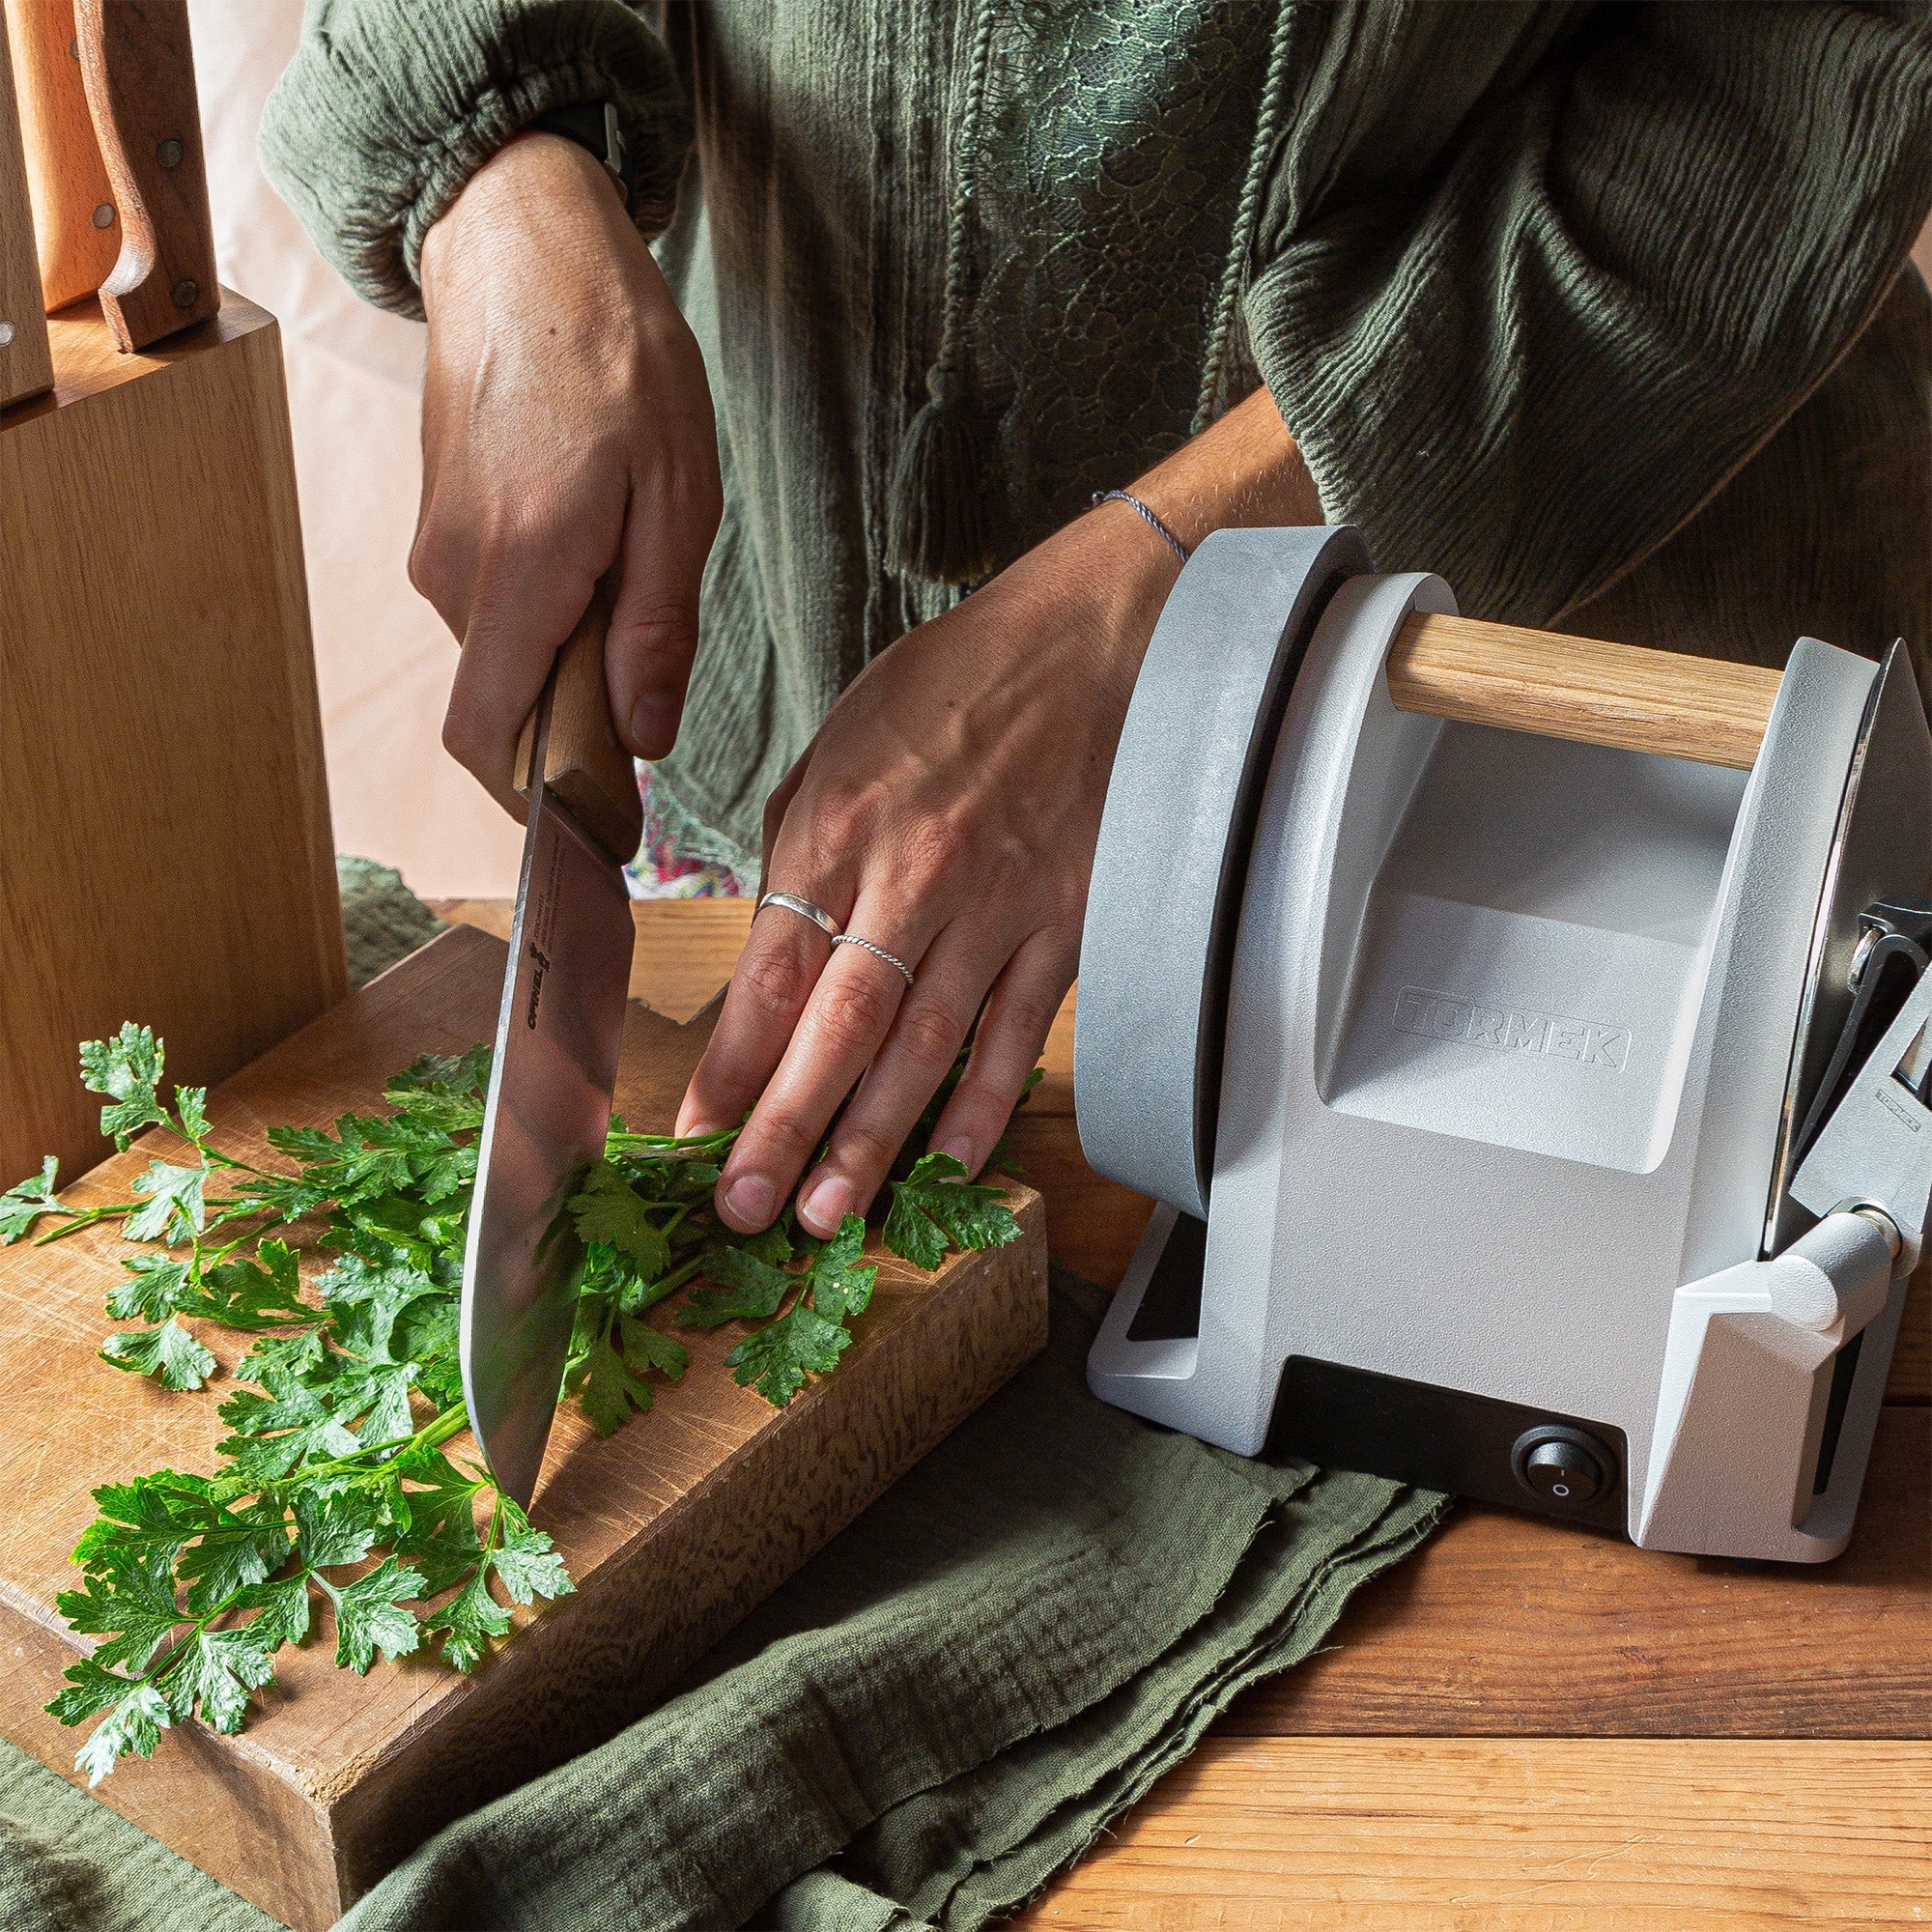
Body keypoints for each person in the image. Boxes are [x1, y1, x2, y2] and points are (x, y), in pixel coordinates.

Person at [264, 1, 1932, 1244]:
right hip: (802, 776)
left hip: (1558, 824)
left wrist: (1164, 601)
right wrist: (499, 178)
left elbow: (1788, 86)